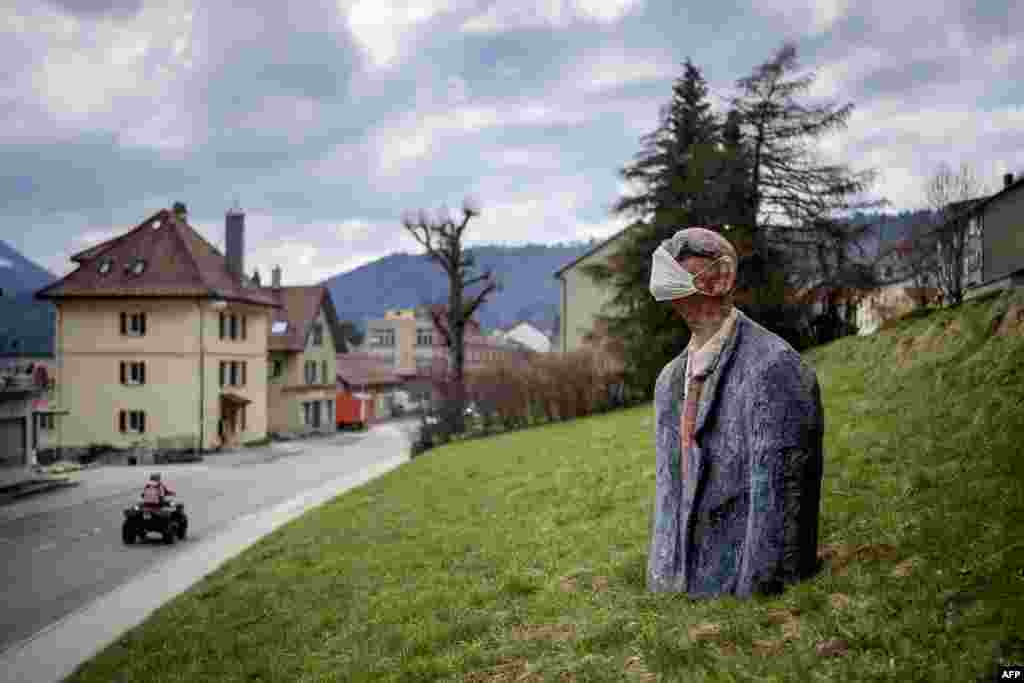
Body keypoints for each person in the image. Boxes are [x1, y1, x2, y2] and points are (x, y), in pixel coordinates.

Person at [647, 227, 825, 598]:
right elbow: (669, 492)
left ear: (722, 277)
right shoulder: (670, 380)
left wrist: (756, 595)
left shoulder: (773, 368)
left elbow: (778, 501)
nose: (668, 269)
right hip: (686, 587)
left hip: (738, 587)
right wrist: (663, 582)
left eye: (683, 261)